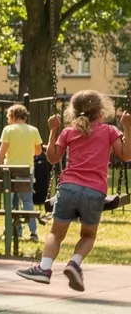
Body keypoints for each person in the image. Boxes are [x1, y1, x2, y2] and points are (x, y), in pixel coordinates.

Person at [18, 91, 131, 291]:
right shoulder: (110, 130)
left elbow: (52, 158)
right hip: (94, 192)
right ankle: (75, 263)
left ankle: (44, 269)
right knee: (88, 235)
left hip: (68, 188)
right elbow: (126, 155)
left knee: (56, 233)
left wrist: (53, 130)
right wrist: (128, 128)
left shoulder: (69, 131)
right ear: (101, 111)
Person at [0, 103, 43, 243]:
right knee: (27, 201)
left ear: (12, 116)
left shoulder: (8, 130)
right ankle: (33, 232)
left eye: (8, 117)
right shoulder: (33, 130)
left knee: (9, 202)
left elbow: (3, 150)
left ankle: (11, 230)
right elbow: (38, 151)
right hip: (26, 170)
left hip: (9, 171)